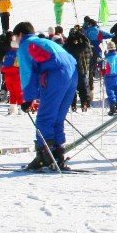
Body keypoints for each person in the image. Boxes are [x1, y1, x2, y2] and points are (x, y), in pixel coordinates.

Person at [15, 21, 78, 170]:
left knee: (45, 117)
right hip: (73, 74)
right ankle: (58, 153)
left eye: (15, 37)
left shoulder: (26, 45)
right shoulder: (44, 41)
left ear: (20, 34)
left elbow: (27, 72)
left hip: (56, 75)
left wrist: (28, 99)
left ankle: (44, 156)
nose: (15, 41)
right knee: (57, 118)